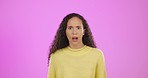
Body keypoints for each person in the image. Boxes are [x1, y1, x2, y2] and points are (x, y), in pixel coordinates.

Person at [47, 13, 107, 78]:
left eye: (78, 28)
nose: (74, 32)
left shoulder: (97, 55)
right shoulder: (56, 57)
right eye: (70, 28)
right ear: (65, 31)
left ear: (84, 31)